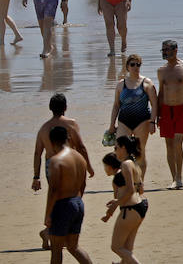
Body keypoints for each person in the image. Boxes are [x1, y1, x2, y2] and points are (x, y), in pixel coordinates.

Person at [32, 93, 94, 251]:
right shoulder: (71, 124)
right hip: (70, 163)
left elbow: (37, 153)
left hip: (50, 164)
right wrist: (88, 166)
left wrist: (36, 177)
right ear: (65, 107)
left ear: (50, 108)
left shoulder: (44, 128)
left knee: (59, 199)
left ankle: (49, 232)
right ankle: (53, 232)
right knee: (71, 197)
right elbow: (81, 147)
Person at [44, 125, 95, 264]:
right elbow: (83, 184)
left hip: (63, 205)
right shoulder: (80, 158)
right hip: (78, 203)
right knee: (73, 246)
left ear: (52, 142)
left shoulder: (56, 160)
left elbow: (54, 190)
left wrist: (48, 214)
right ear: (68, 138)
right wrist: (76, 202)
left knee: (56, 249)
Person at [154, 40, 183, 190]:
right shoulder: (161, 70)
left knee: (178, 142)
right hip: (166, 110)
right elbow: (161, 94)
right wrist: (157, 115)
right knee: (169, 144)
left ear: (175, 50)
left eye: (167, 50)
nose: (164, 52)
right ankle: (173, 178)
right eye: (163, 50)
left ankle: (179, 178)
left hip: (182, 108)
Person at [107, 55, 157, 182]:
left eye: (138, 64)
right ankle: (123, 181)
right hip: (124, 121)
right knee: (120, 151)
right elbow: (116, 105)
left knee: (140, 153)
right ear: (127, 67)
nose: (135, 67)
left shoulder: (147, 83)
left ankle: (139, 182)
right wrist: (112, 125)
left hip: (142, 121)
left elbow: (155, 104)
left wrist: (153, 122)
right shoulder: (121, 84)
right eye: (133, 64)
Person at [100, 135, 147, 264]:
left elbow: (130, 190)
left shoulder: (126, 164)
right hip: (139, 207)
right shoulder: (134, 163)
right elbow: (141, 189)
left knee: (116, 247)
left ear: (123, 147)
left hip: (130, 209)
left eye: (116, 148)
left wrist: (116, 204)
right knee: (127, 249)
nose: (115, 151)